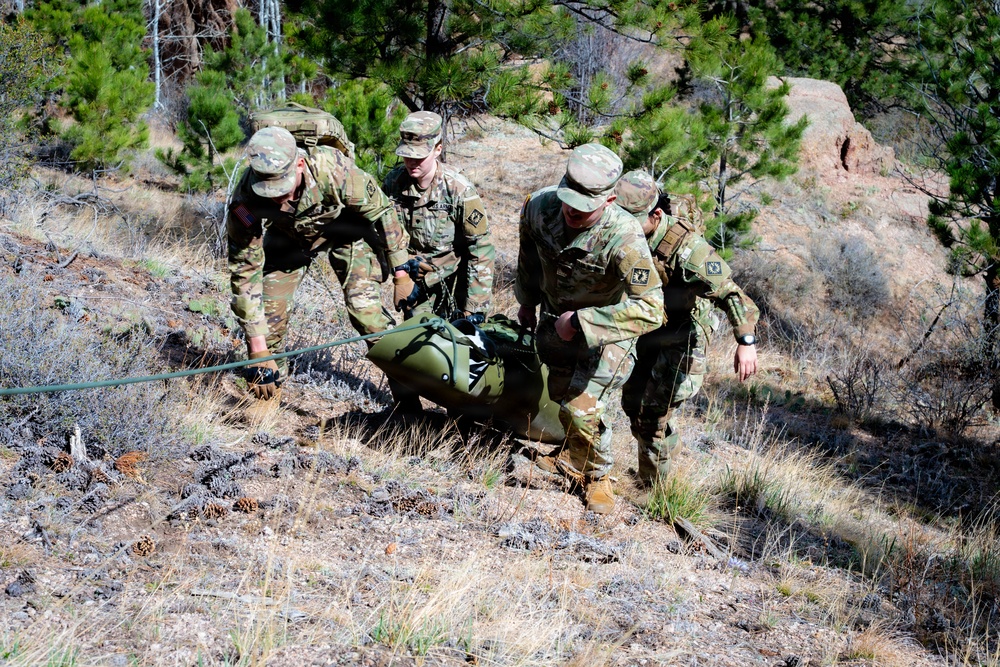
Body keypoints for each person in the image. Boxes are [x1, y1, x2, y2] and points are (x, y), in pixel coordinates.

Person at [516, 144, 664, 514]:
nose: (572, 211)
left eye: (584, 207)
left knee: (582, 406)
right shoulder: (539, 207)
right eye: (569, 200)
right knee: (560, 394)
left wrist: (583, 322)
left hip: (608, 328)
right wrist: (527, 301)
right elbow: (528, 255)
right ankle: (572, 455)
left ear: (610, 199)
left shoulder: (624, 236)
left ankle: (598, 477)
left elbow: (651, 308)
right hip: (555, 320)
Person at [228, 126, 415, 402]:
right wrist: (257, 349)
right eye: (268, 190)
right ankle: (267, 399)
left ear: (299, 164)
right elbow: (245, 270)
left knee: (367, 315)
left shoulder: (333, 170)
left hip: (348, 231)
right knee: (267, 319)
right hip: (290, 236)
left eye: (282, 186)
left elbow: (382, 211)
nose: (276, 197)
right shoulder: (246, 198)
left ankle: (408, 403)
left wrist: (401, 272)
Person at [614, 170, 760, 487]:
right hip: (651, 327)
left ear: (656, 215)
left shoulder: (690, 250)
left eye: (633, 220)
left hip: (685, 335)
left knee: (652, 416)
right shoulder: (626, 234)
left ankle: (652, 490)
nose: (624, 227)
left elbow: (732, 293)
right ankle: (665, 452)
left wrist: (745, 341)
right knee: (632, 403)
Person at [382, 111, 495, 321]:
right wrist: (401, 270)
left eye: (419, 156)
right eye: (407, 155)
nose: (411, 162)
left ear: (438, 149)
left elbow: (481, 248)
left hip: (455, 279)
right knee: (418, 335)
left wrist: (475, 307)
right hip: (416, 280)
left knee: (459, 334)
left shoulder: (458, 189)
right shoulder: (393, 183)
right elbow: (384, 232)